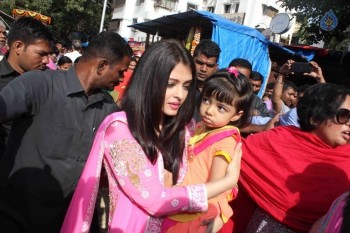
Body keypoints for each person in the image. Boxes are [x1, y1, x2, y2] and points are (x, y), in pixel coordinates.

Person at [61, 39, 242, 233]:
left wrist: (219, 209)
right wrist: (227, 182)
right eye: (171, 84)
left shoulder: (183, 128)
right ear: (149, 80)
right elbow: (155, 200)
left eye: (186, 86)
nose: (180, 95)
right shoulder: (121, 130)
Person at [0, 31, 132, 232]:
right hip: (16, 219)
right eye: (121, 72)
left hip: (67, 222)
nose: (122, 79)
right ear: (102, 66)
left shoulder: (108, 109)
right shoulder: (39, 85)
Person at [231, 83, 350, 233]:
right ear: (314, 118)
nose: (349, 122)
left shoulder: (347, 160)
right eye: (344, 115)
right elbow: (234, 152)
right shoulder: (277, 140)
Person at [163, 67, 253, 233]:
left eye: (221, 108)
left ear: (236, 115)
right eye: (206, 100)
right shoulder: (201, 127)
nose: (209, 110)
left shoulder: (225, 141)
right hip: (182, 202)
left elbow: (216, 186)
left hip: (194, 214)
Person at [0, 16, 54, 160]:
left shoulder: (49, 81)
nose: (47, 61)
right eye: (41, 54)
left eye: (49, 55)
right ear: (18, 47)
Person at [192, 39, 221, 121]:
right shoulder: (181, 87)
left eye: (210, 65)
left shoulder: (218, 92)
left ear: (216, 67)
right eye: (200, 63)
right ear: (192, 60)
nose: (204, 69)